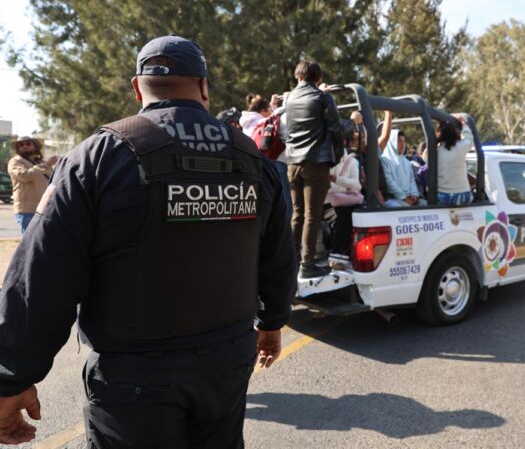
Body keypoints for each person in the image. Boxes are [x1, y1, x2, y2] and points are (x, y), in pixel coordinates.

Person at [0, 35, 297, 447]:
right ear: (204, 87)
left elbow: (42, 275)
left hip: (135, 380)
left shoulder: (98, 157)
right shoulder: (253, 160)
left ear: (138, 89)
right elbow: (279, 256)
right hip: (225, 364)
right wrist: (272, 321)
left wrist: (12, 376)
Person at [284, 60, 342, 278]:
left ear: (298, 76)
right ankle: (307, 264)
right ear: (318, 79)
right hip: (315, 162)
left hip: (293, 163)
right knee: (312, 214)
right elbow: (336, 128)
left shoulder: (290, 98)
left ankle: (292, 260)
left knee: (297, 214)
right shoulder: (322, 97)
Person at [326, 120, 363, 270]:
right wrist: (343, 186)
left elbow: (357, 185)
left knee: (350, 215)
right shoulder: (327, 158)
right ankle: (337, 258)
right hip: (326, 203)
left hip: (341, 202)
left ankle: (343, 257)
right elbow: (326, 187)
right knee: (343, 216)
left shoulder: (351, 161)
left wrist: (337, 181)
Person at [6, 136, 57, 234]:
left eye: (28, 144)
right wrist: (47, 165)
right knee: (30, 245)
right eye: (21, 145)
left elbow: (53, 181)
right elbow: (25, 176)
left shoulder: (40, 162)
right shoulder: (15, 162)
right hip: (27, 210)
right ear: (18, 149)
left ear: (35, 147)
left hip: (45, 209)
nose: (24, 146)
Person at [435, 115, 474, 206]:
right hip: (463, 195)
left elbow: (426, 157)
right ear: (455, 133)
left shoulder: (435, 152)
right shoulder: (461, 147)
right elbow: (469, 139)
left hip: (444, 197)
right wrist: (464, 124)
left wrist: (434, 141)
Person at [381, 129, 426, 207]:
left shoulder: (406, 161)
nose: (402, 144)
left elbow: (411, 180)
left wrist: (414, 194)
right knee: (404, 208)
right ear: (391, 142)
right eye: (399, 141)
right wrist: (404, 198)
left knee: (425, 204)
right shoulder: (385, 160)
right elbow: (390, 183)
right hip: (394, 199)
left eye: (403, 141)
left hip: (409, 198)